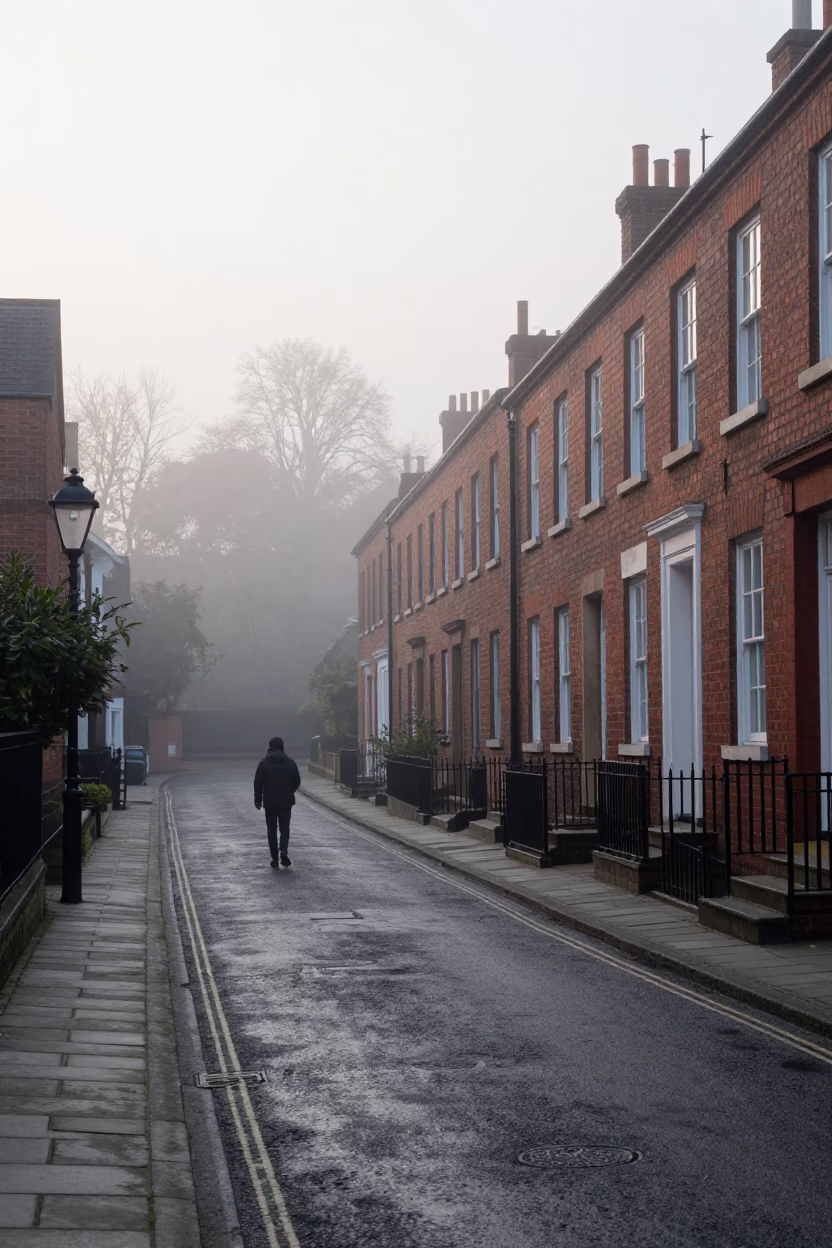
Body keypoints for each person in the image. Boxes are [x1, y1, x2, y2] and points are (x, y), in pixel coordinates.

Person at [254, 737, 301, 868]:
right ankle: (284, 850)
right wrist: (289, 791)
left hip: (270, 801)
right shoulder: (290, 763)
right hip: (286, 801)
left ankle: (274, 858)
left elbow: (258, 784)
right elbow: (297, 781)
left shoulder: (263, 763)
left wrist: (258, 800)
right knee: (285, 828)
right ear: (282, 747)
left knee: (272, 829)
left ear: (270, 747)